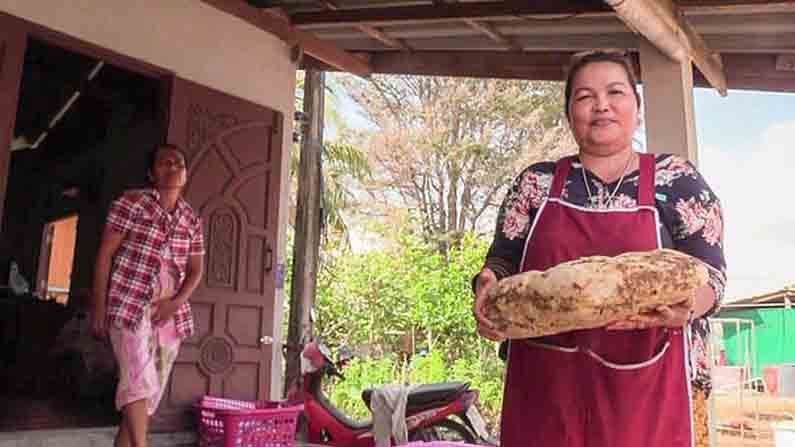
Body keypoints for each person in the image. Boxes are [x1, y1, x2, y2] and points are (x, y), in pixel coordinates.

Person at [473, 50, 726, 447]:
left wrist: (689, 306)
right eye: (585, 96)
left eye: (615, 92)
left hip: (649, 394)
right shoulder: (535, 184)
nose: (601, 105)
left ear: (636, 108)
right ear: (570, 112)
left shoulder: (677, 180)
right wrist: (487, 286)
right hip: (546, 393)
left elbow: (712, 275)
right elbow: (503, 261)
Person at [92, 144, 205, 447]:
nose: (173, 166)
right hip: (129, 304)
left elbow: (196, 270)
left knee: (147, 395)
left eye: (179, 162)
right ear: (151, 173)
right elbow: (105, 254)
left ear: (186, 173)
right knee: (138, 381)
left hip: (169, 316)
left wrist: (174, 304)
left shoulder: (191, 219)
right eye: (164, 162)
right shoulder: (132, 203)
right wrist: (98, 307)